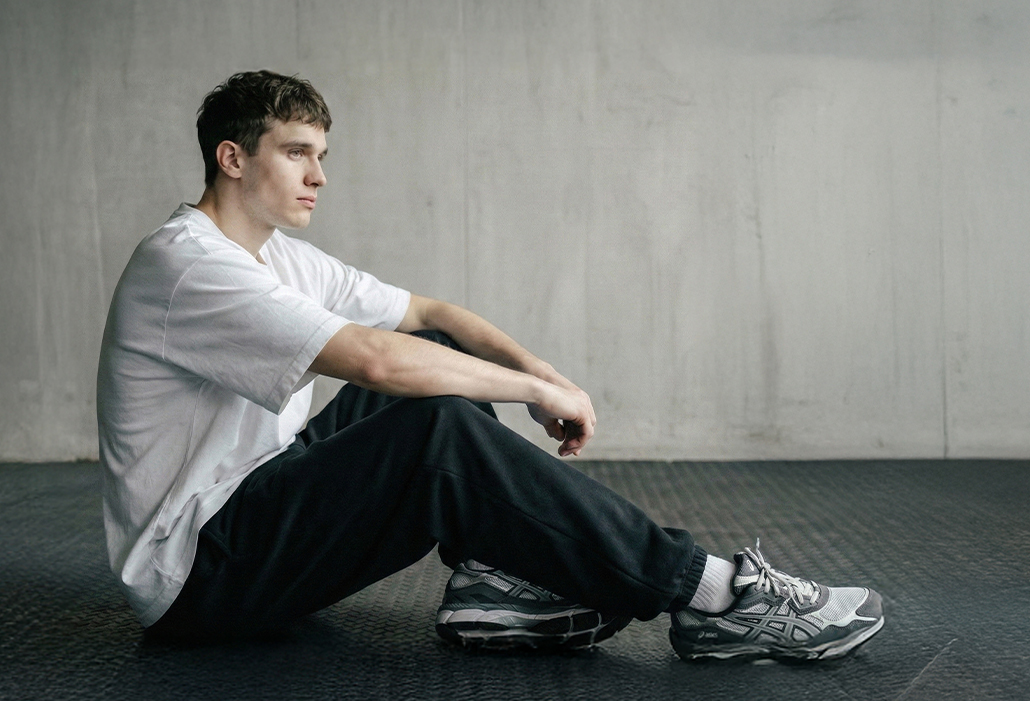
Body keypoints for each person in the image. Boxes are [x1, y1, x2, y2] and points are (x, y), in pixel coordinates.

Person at [97, 70, 886, 659]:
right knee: (431, 423)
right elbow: (375, 360)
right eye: (297, 153)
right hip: (199, 576)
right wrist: (529, 388)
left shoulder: (281, 257)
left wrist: (546, 375)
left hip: (258, 504)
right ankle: (714, 594)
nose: (319, 176)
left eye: (323, 154)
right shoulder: (187, 264)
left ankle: (492, 582)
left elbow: (432, 315)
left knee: (442, 356)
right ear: (232, 158)